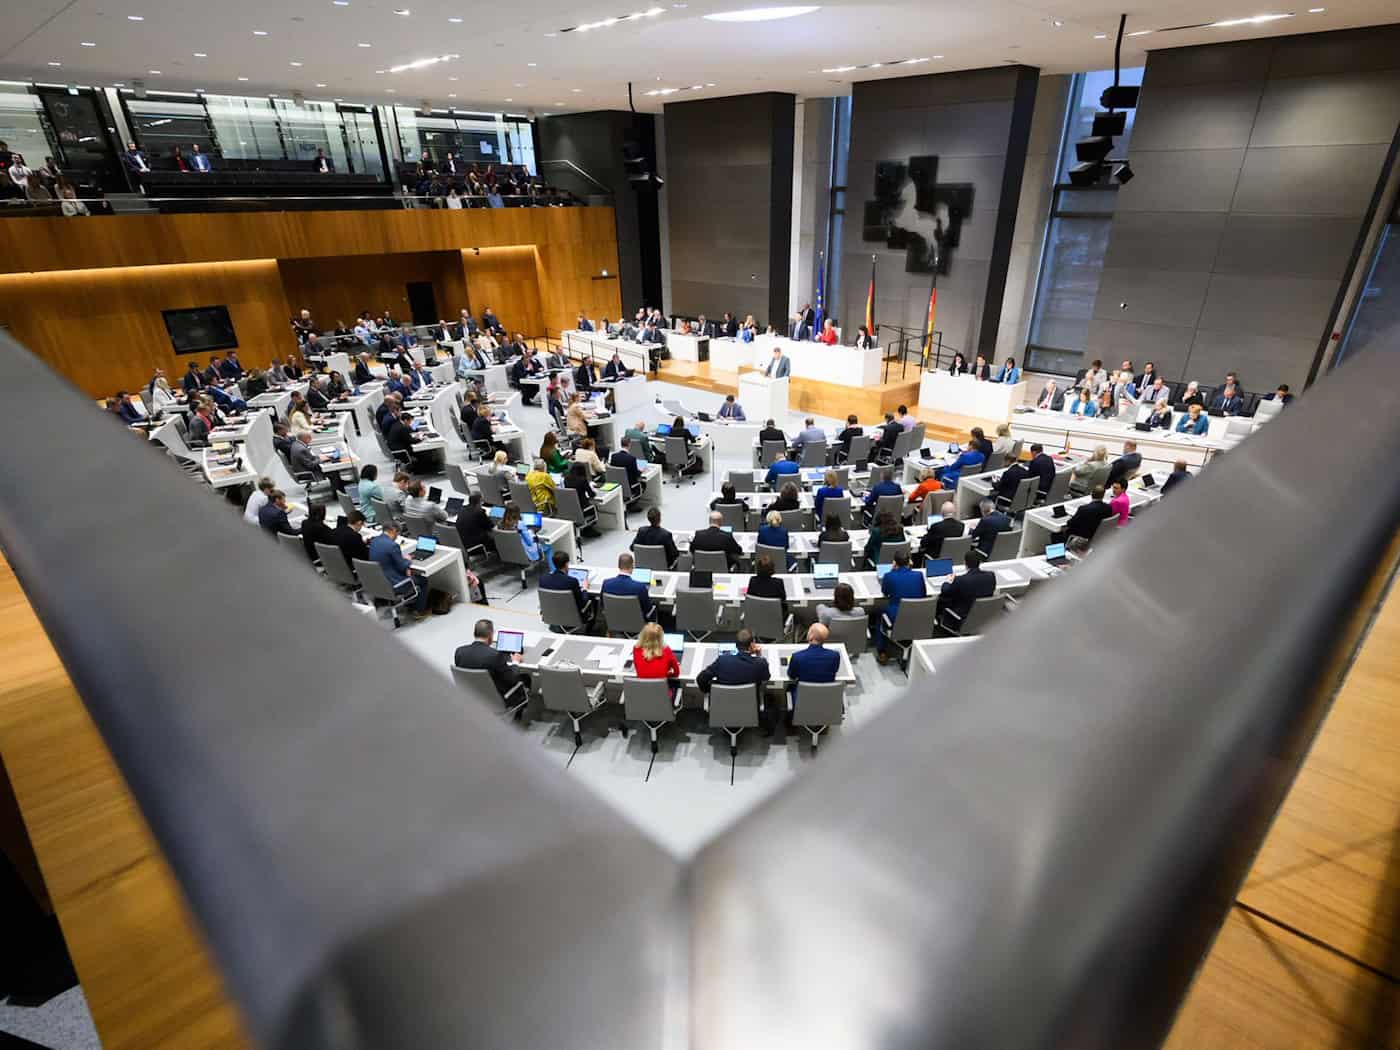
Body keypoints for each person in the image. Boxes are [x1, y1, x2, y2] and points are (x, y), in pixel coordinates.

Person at [696, 629, 772, 735]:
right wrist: (759, 655)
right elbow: (766, 678)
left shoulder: (723, 661)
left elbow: (700, 679)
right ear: (752, 645)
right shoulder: (760, 663)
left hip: (722, 709)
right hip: (749, 710)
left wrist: (710, 691)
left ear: (736, 645)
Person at [454, 619, 530, 699]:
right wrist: (515, 662)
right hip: (494, 699)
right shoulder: (495, 655)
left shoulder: (459, 651)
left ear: (474, 634)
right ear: (490, 635)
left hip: (471, 695)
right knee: (525, 677)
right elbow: (512, 680)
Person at [877, 553, 927, 662]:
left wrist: (892, 571)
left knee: (879, 613)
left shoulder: (889, 576)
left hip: (896, 615)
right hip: (919, 614)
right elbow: (923, 594)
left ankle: (882, 651)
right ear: (909, 562)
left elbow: (885, 593)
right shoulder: (918, 575)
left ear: (894, 563)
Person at [603, 552, 667, 628]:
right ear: (632, 566)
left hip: (615, 622)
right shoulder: (640, 587)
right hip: (638, 624)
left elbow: (603, 605)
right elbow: (648, 610)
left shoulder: (606, 584)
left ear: (618, 566)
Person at [787, 624, 841, 710]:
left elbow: (792, 675)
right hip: (826, 697)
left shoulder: (797, 657)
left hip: (802, 700)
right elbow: (835, 670)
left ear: (811, 636)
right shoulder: (835, 656)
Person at [935, 550, 995, 628]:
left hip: (961, 618)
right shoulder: (991, 576)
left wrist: (948, 581)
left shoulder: (960, 580)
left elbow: (945, 591)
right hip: (982, 616)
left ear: (965, 563)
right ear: (980, 562)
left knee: (941, 599)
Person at [540, 549, 595, 628]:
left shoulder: (543, 579)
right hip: (573, 617)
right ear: (566, 564)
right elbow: (582, 603)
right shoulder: (572, 582)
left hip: (553, 615)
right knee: (592, 598)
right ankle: (590, 628)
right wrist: (585, 589)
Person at [498, 504, 549, 568]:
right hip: (525, 553)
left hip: (510, 551)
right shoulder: (520, 525)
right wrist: (533, 536)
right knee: (547, 546)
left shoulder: (500, 524)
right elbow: (529, 542)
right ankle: (553, 571)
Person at [632, 623, 680, 690]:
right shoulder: (666, 650)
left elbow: (638, 669)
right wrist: (666, 674)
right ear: (661, 637)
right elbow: (676, 673)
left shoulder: (636, 649)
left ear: (642, 635)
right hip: (663, 695)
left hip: (642, 692)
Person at [746, 554, 788, 619]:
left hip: (756, 616)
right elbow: (783, 598)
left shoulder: (753, 581)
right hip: (776, 617)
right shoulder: (778, 582)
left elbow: (749, 596)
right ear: (772, 568)